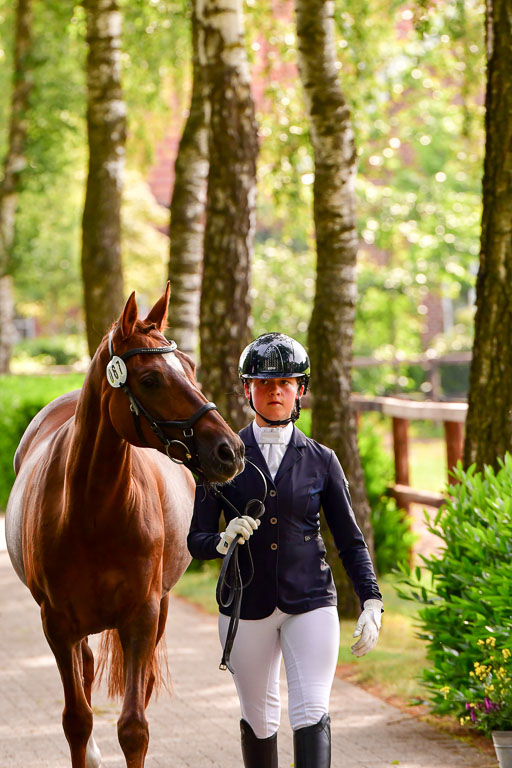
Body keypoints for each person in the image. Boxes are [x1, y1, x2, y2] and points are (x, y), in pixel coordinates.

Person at [187, 333, 383, 768]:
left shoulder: (322, 459)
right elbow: (195, 539)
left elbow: (349, 539)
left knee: (311, 712)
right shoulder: (220, 458)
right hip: (244, 603)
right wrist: (221, 541)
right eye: (263, 383)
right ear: (247, 389)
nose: (274, 391)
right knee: (259, 718)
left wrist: (371, 598)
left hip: (311, 600)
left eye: (285, 383)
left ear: (300, 390)